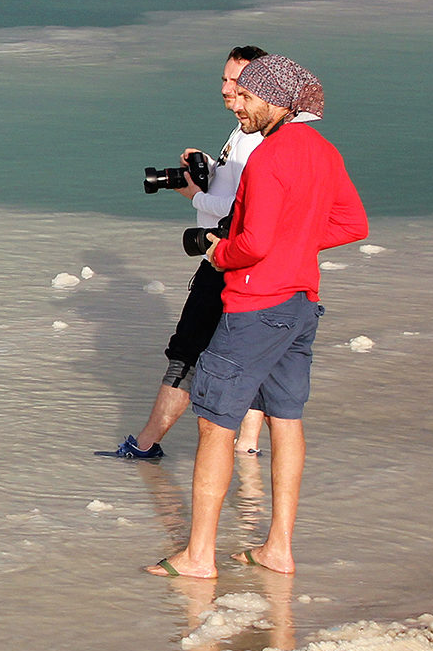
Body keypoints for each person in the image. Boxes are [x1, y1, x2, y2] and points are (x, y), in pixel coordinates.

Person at [147, 55, 365, 580]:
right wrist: (296, 242)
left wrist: (220, 253)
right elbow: (352, 223)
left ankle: (199, 557)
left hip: (255, 304)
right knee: (286, 420)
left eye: (246, 96)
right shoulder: (324, 150)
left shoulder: (268, 158)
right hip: (301, 303)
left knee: (216, 423)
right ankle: (277, 550)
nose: (237, 105)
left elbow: (252, 245)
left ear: (275, 99)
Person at [99, 46, 270, 461]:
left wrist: (194, 196)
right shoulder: (248, 132)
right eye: (224, 80)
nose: (226, 90)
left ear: (260, 86)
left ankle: (144, 444)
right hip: (255, 263)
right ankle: (247, 448)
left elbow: (239, 210)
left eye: (236, 82)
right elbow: (235, 187)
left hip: (229, 256)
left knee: (186, 352)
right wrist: (208, 165)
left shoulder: (256, 142)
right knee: (257, 353)